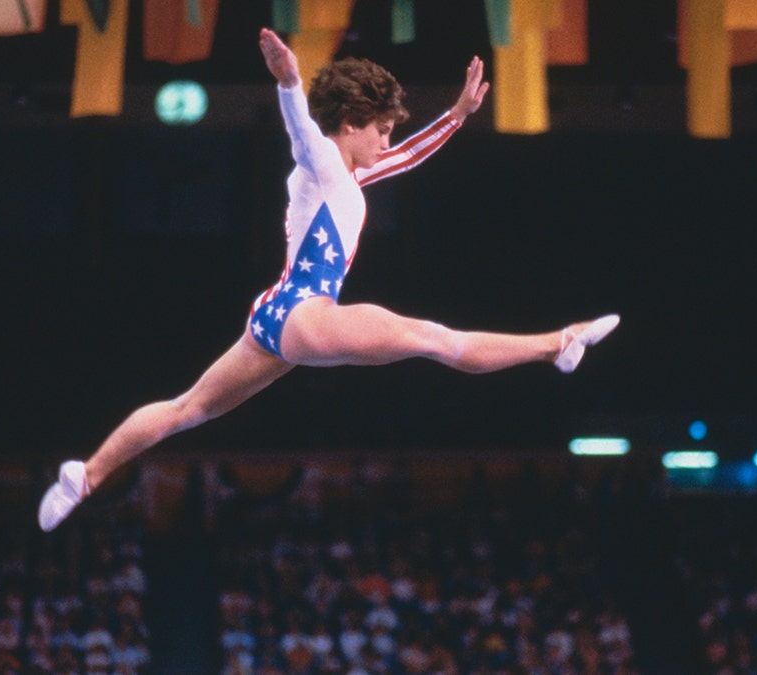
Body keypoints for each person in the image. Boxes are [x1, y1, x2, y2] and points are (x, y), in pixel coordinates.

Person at [38, 29, 619, 531]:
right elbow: (301, 131)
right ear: (351, 123)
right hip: (306, 314)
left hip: (276, 317)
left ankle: (85, 477)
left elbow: (409, 156)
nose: (387, 141)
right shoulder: (317, 160)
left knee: (187, 408)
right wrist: (288, 82)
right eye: (383, 129)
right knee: (438, 341)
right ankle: (557, 344)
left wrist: (459, 115)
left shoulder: (345, 176)